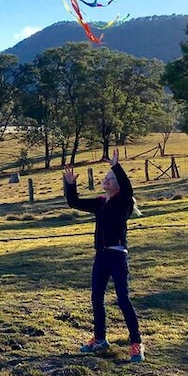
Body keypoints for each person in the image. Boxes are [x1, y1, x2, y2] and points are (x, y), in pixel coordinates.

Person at [63, 149, 143, 362]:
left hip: (117, 257)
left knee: (123, 299)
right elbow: (74, 203)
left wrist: (116, 166)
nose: (105, 180)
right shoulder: (100, 202)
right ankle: (100, 340)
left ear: (117, 185)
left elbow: (127, 188)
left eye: (110, 179)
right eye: (105, 178)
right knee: (96, 298)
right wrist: (70, 184)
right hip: (101, 257)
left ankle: (136, 343)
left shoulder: (124, 201)